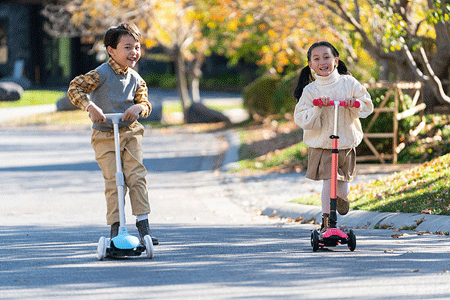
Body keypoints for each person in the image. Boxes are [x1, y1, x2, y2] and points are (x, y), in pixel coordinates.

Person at [68, 23, 158, 245]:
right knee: (114, 181)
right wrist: (90, 106)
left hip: (130, 132)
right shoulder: (100, 74)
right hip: (105, 135)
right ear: (111, 50)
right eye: (127, 47)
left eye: (136, 47)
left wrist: (139, 108)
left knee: (136, 176)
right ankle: (116, 228)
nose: (134, 52)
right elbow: (74, 88)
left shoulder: (137, 79)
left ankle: (143, 226)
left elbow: (145, 103)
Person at [293, 41, 373, 233]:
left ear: (336, 61)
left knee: (342, 187)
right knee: (329, 184)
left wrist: (355, 104)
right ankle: (327, 221)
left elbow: (367, 104)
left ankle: (341, 199)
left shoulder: (349, 83)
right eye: (317, 59)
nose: (323, 62)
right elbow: (301, 118)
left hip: (345, 143)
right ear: (311, 65)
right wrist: (317, 107)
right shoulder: (310, 91)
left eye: (327, 57)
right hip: (323, 145)